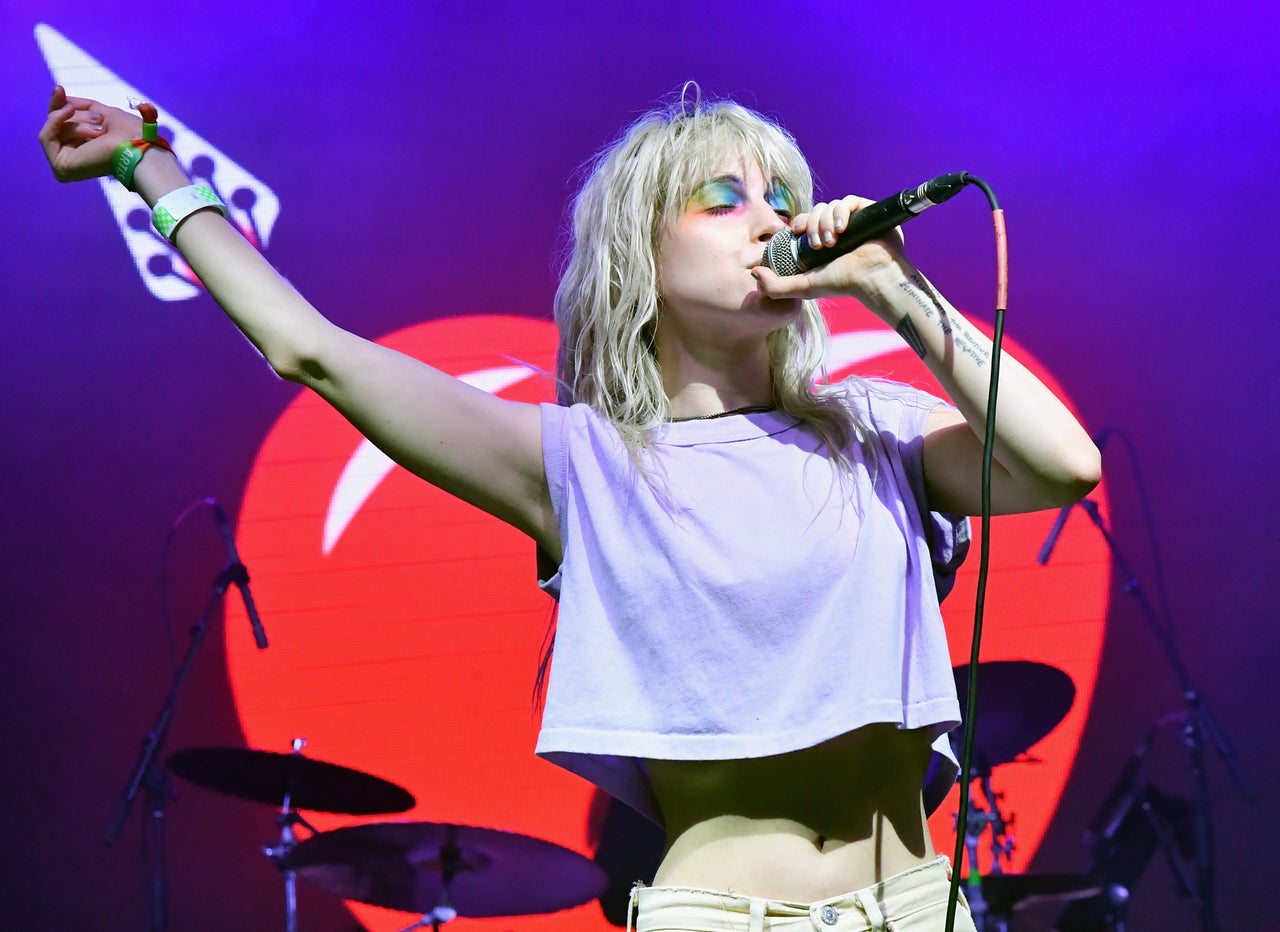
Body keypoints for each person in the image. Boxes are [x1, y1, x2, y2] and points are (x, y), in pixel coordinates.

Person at [40, 84, 1100, 932]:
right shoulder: (582, 466)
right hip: (718, 916)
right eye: (719, 197)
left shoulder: (876, 427)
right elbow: (306, 346)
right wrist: (150, 167)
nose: (767, 218)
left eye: (776, 195)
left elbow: (1060, 466)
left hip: (917, 903)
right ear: (639, 255)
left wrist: (893, 286)